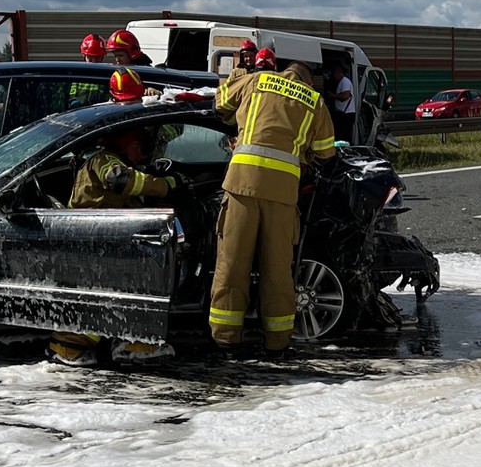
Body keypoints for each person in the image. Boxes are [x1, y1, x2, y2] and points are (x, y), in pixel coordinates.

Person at [48, 69, 182, 367]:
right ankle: (128, 344)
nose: (142, 149)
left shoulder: (109, 141)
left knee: (107, 292)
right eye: (138, 142)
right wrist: (166, 185)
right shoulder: (106, 158)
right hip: (96, 236)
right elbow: (121, 181)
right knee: (124, 289)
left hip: (102, 234)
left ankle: (91, 344)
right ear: (123, 139)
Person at [209, 49, 338, 356]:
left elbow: (219, 102)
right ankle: (277, 344)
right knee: (277, 269)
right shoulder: (314, 101)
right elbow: (326, 152)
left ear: (283, 71)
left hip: (242, 183)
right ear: (307, 80)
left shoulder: (258, 81)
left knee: (232, 263)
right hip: (282, 192)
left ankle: (227, 339)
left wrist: (240, 72)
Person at [328, 58, 356, 143]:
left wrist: (333, 96)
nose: (334, 77)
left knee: (344, 136)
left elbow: (345, 96)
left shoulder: (345, 82)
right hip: (343, 113)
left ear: (339, 73)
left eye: (334, 74)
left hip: (346, 114)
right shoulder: (342, 82)